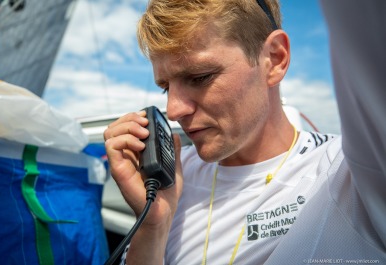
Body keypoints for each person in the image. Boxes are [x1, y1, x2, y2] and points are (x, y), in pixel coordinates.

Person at [103, 0, 386, 264]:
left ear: (274, 59)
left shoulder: (347, 175)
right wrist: (153, 225)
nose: (174, 110)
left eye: (200, 77)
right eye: (165, 87)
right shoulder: (172, 180)